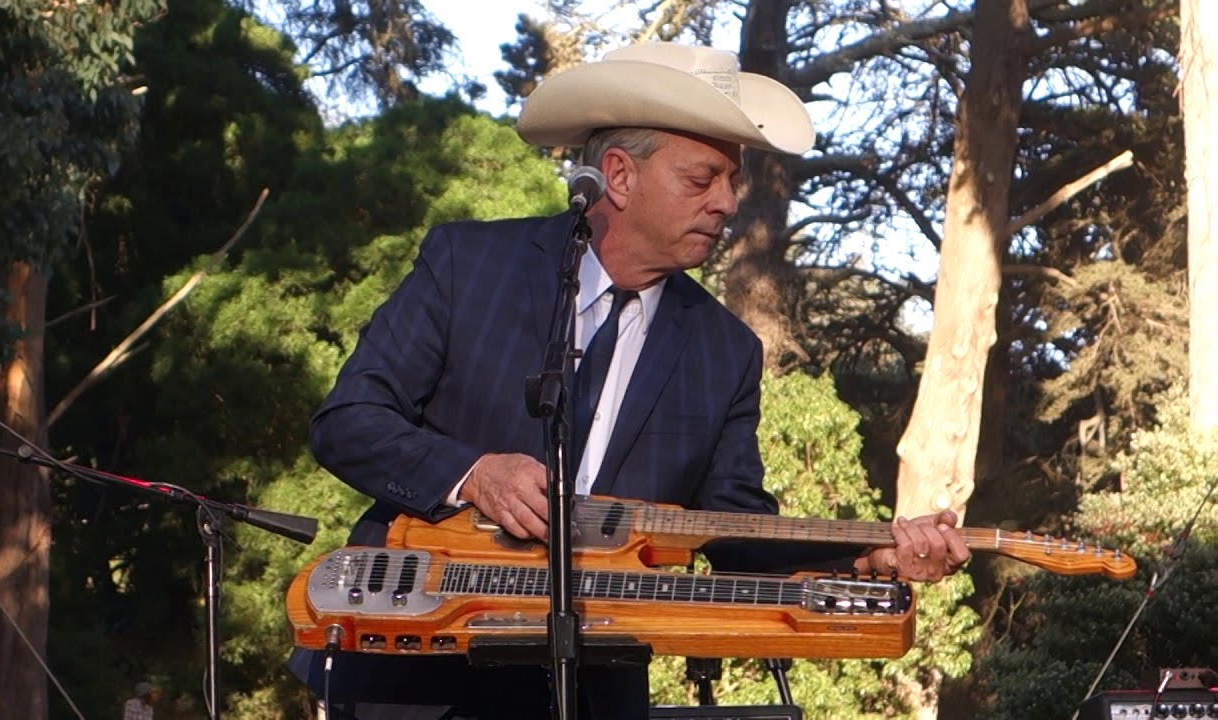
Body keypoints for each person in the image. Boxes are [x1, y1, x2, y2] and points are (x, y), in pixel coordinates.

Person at [296, 42, 970, 719]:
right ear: (618, 175)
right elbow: (348, 420)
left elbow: (736, 533)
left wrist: (861, 557)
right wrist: (472, 474)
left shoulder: (724, 350)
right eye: (703, 178)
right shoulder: (467, 264)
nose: (727, 202)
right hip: (411, 674)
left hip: (595, 686)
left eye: (731, 181)